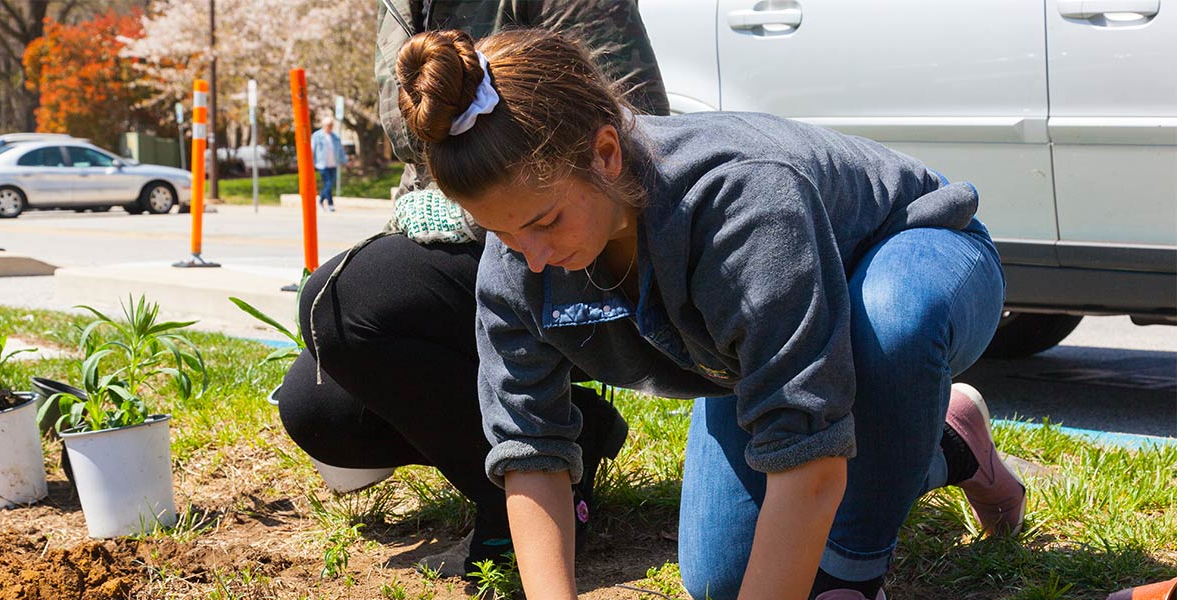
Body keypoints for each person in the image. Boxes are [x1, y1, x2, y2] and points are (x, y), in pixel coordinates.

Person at [394, 27, 1027, 600]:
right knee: (723, 580)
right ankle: (946, 439)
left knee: (887, 323)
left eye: (545, 222)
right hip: (760, 340)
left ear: (606, 154)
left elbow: (806, 460)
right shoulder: (519, 256)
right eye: (503, 235)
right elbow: (530, 449)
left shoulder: (742, 207)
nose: (531, 259)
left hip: (915, 251)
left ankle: (856, 573)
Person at [276, 0, 671, 579]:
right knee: (321, 412)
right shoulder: (395, 8)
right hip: (488, 231)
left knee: (340, 302)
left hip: (566, 242)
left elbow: (631, 126)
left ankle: (531, 510)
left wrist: (485, 213)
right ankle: (569, 431)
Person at [311, 117, 346, 211]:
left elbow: (340, 150)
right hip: (322, 164)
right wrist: (311, 162)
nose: (330, 127)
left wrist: (344, 160)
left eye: (331, 125)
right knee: (328, 183)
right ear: (324, 125)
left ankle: (329, 204)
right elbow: (312, 149)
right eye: (328, 125)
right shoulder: (317, 136)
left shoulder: (335, 137)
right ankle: (322, 201)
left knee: (329, 184)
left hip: (333, 164)